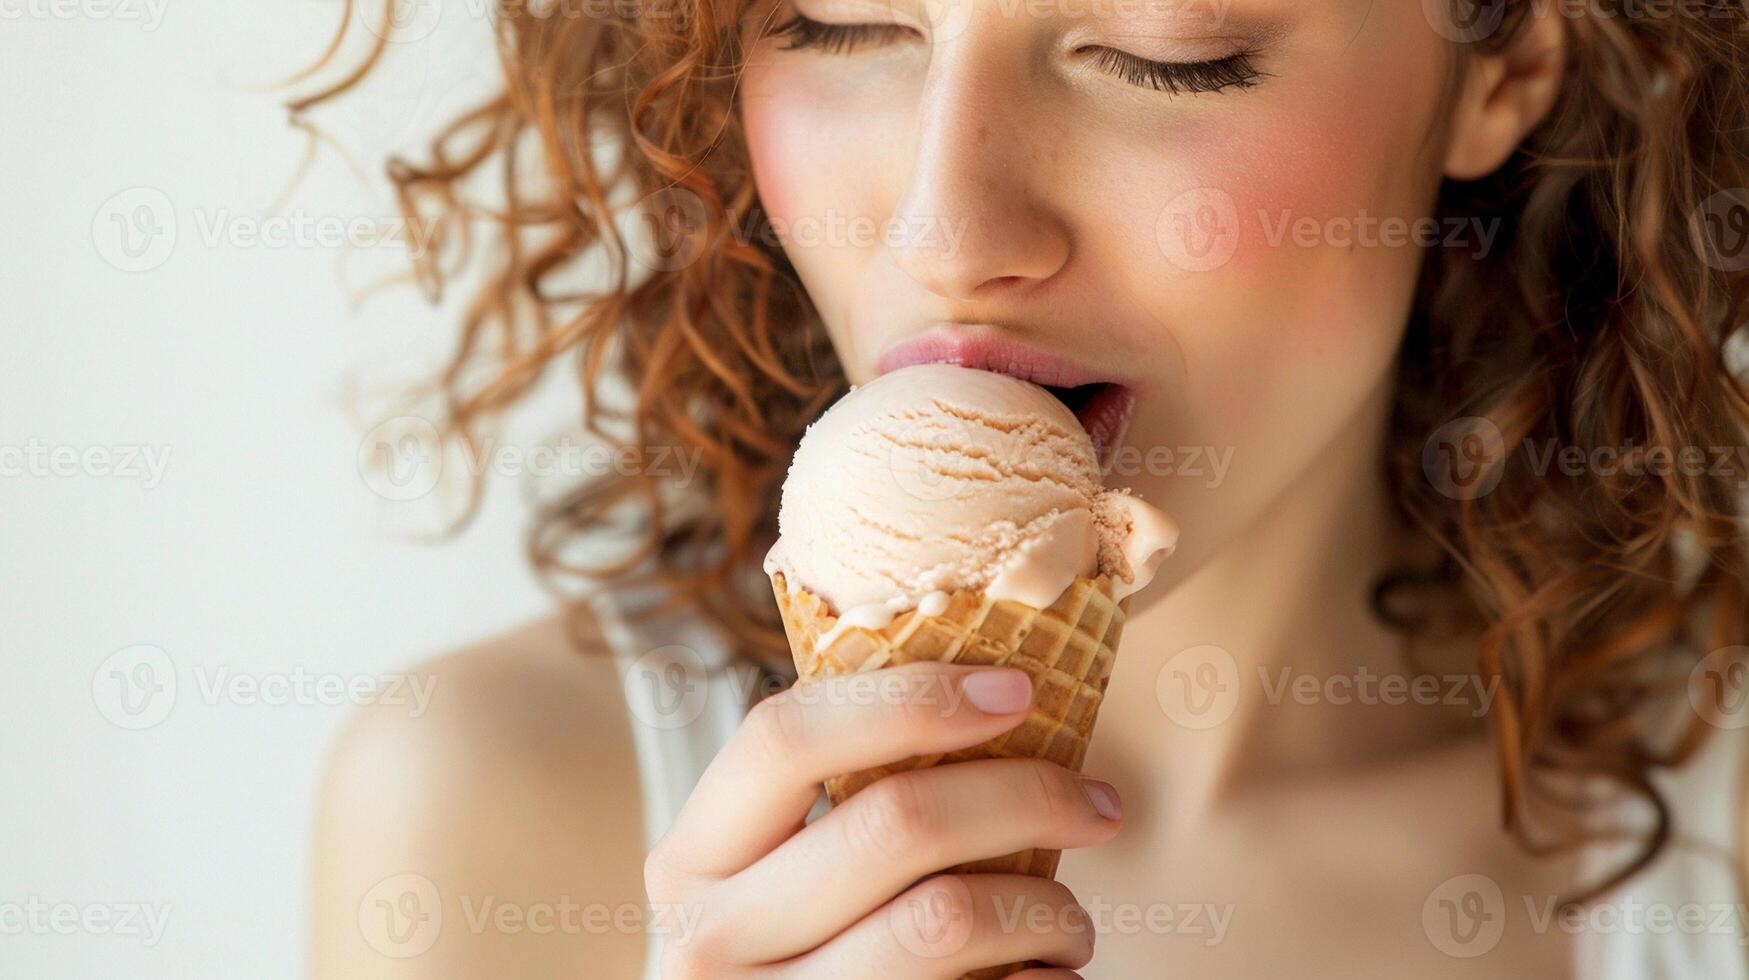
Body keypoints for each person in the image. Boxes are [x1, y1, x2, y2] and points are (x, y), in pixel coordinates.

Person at [305, 0, 1749, 975]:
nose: (945, 230)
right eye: (839, 17)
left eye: (1159, 47)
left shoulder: (1717, 830)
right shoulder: (483, 808)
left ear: (1497, 67)